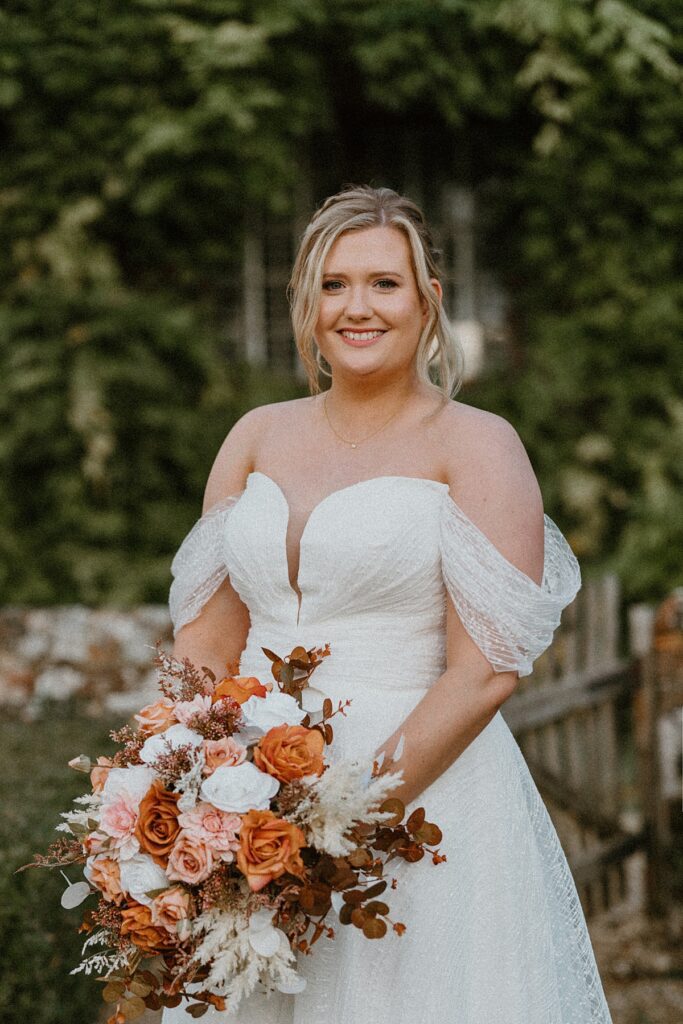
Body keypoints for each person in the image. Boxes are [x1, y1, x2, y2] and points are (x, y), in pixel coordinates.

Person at [164, 185, 613, 1023]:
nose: (355, 308)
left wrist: (339, 814)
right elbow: (204, 641)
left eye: (382, 283)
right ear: (305, 303)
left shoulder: (476, 444)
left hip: (419, 794)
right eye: (332, 285)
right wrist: (192, 784)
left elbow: (484, 672)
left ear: (427, 300)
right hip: (244, 807)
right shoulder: (255, 433)